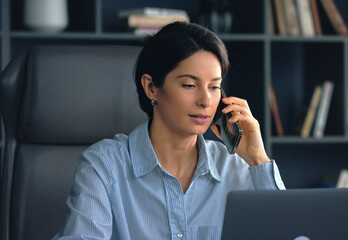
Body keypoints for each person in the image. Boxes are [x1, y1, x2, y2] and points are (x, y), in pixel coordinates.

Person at [53, 21, 285, 240]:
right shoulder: (104, 166)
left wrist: (257, 159)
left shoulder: (236, 167)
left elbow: (290, 233)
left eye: (214, 87)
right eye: (189, 85)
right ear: (151, 87)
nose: (206, 100)